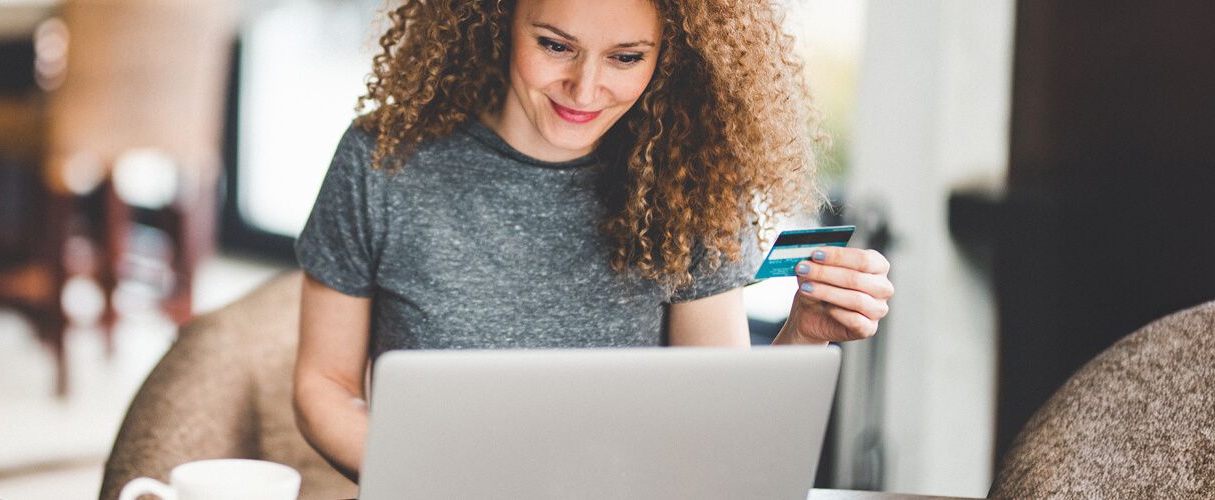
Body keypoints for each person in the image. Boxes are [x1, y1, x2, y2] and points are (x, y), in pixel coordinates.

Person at [292, 0, 894, 479]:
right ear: (497, 18)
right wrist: (434, 480)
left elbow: (716, 429)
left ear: (671, 55)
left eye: (626, 58)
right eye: (555, 46)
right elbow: (326, 385)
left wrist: (803, 337)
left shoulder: (694, 182)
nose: (584, 90)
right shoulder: (382, 162)